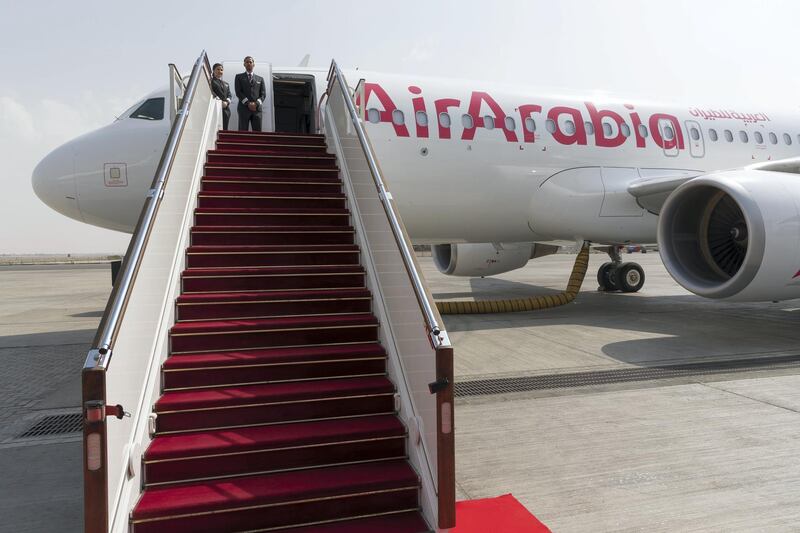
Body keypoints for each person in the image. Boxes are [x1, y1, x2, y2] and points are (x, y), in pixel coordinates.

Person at [234, 56, 267, 131]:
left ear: (253, 64)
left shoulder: (260, 79)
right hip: (243, 108)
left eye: (250, 62)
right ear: (244, 64)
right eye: (247, 62)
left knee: (257, 133)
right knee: (243, 131)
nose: (249, 63)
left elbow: (263, 94)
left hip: (257, 110)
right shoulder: (239, 77)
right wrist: (248, 103)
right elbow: (238, 92)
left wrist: (256, 104)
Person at [210, 63, 232, 130]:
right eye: (218, 69)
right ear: (213, 70)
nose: (220, 71)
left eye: (221, 70)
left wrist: (227, 102)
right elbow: (212, 92)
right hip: (215, 108)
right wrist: (220, 102)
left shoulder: (226, 84)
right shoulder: (211, 81)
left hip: (226, 110)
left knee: (225, 129)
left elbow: (229, 95)